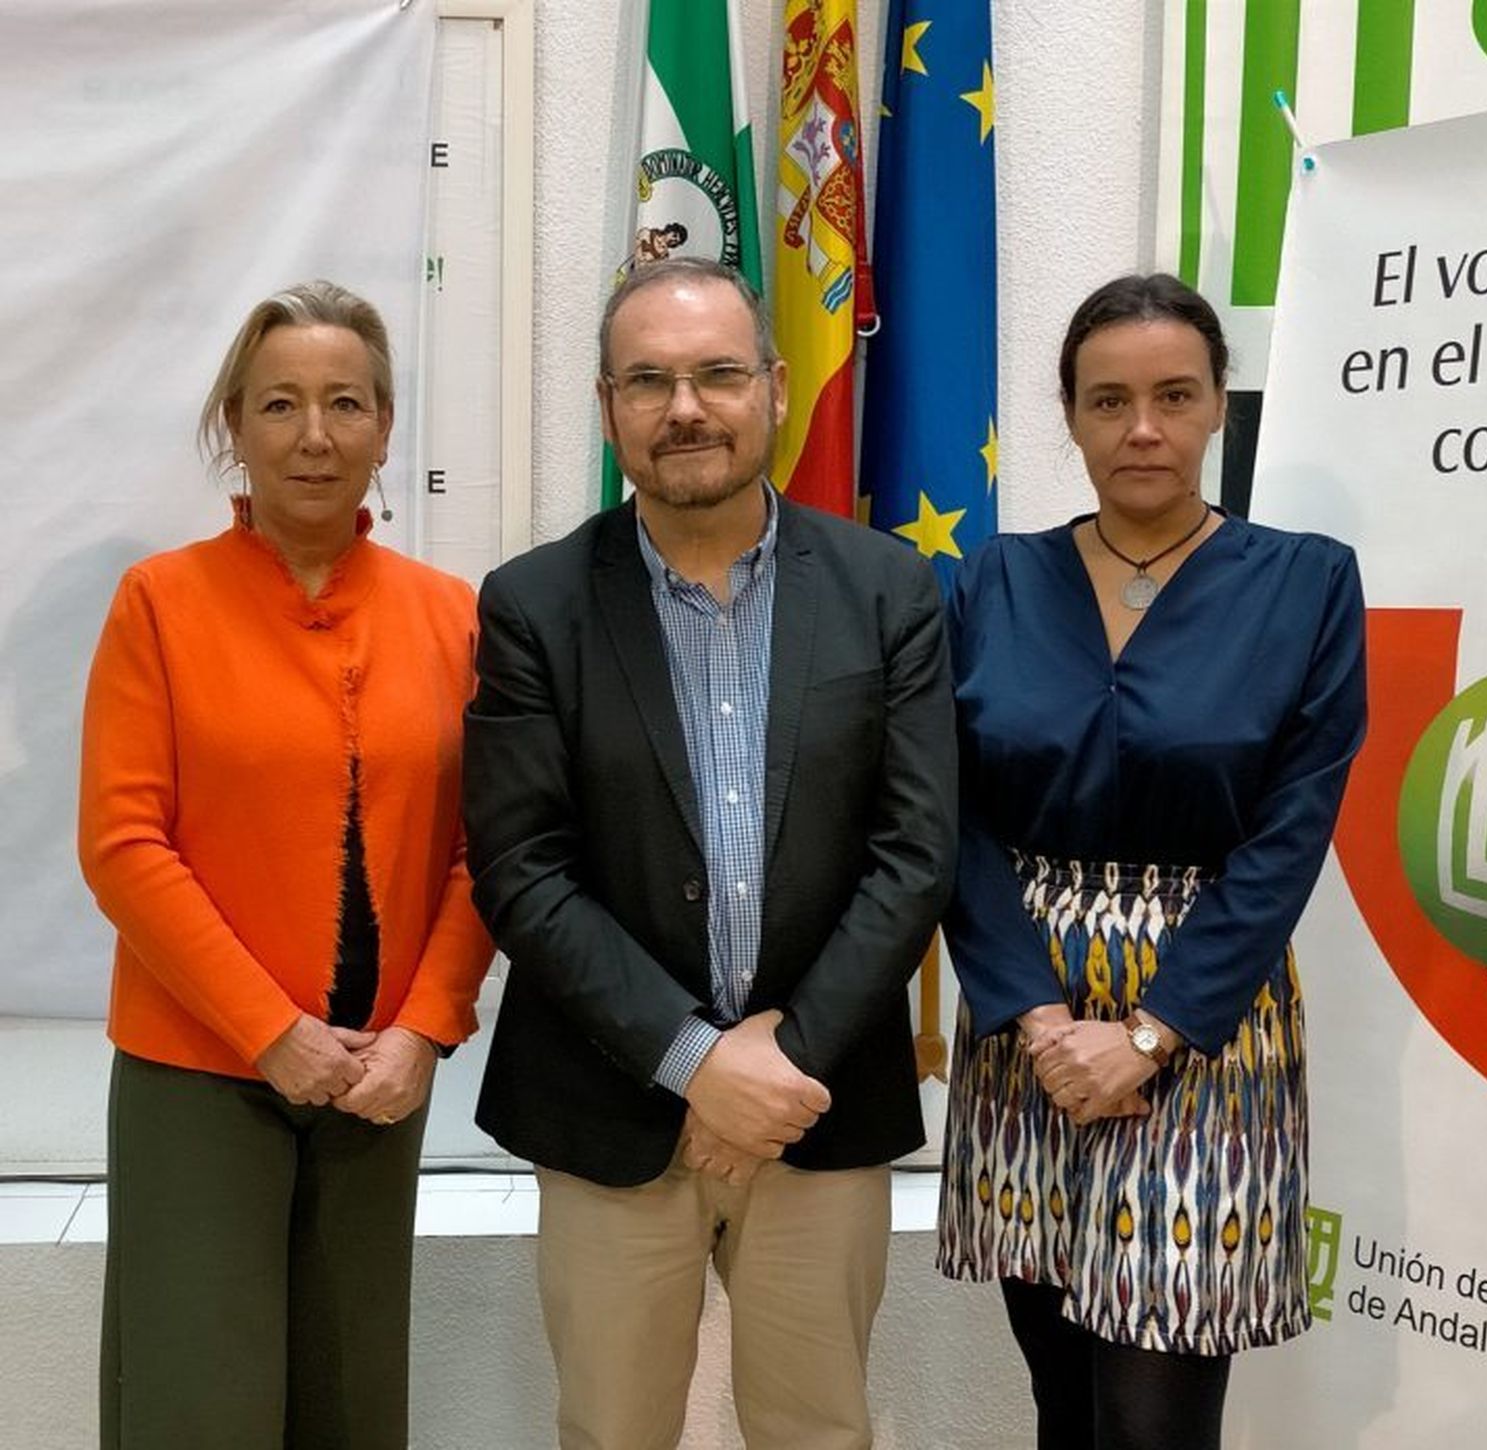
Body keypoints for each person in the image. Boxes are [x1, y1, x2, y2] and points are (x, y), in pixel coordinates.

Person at [463, 256, 957, 1450]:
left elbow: (916, 850)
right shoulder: (533, 605)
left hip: (818, 1106)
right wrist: (696, 1064)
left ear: (777, 389)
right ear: (608, 407)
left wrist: (773, 1063)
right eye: (649, 380)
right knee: (611, 1432)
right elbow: (524, 868)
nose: (685, 406)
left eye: (717, 374)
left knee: (819, 1432)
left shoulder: (889, 588)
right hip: (609, 1109)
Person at [936, 273, 1367, 1449]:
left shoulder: (1308, 582)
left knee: (1153, 1416)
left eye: (1174, 395)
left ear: (1218, 405)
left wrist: (1146, 1035)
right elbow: (952, 816)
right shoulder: (989, 580)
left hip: (1205, 1020)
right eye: (1108, 398)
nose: (1142, 427)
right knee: (1061, 1399)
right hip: (1029, 1016)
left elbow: (1289, 836)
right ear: (1067, 415)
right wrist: (1037, 1022)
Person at [79, 280, 494, 1450]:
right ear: (236, 425)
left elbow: (486, 852)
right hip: (198, 1073)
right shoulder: (159, 603)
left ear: (383, 427)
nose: (315, 435)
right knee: (195, 1402)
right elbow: (122, 843)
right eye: (280, 404)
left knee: (353, 1402)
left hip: (382, 1078)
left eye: (345, 403)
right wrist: (270, 1030)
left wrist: (422, 1028)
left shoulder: (450, 616)